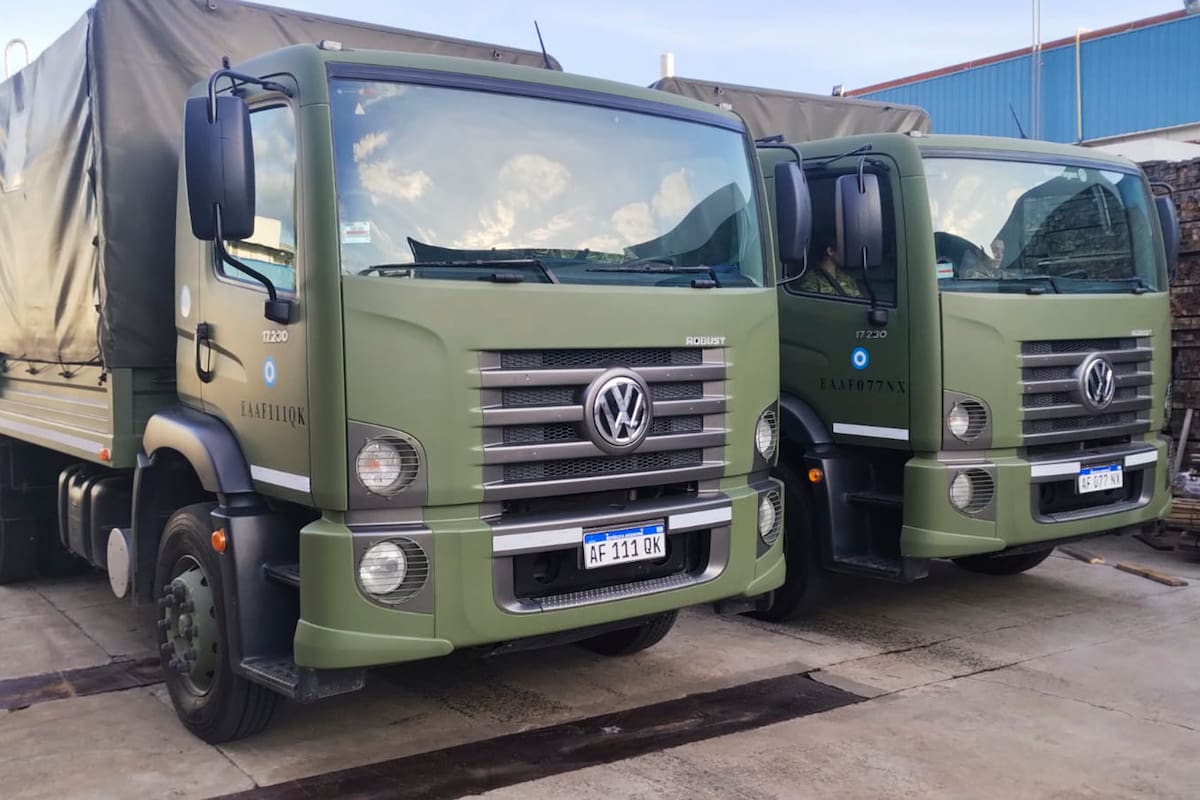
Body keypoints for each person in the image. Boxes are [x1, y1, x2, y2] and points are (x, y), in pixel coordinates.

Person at [798, 237, 863, 298]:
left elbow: (860, 302)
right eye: (844, 249)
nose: (849, 253)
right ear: (830, 251)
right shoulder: (811, 279)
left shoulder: (847, 278)